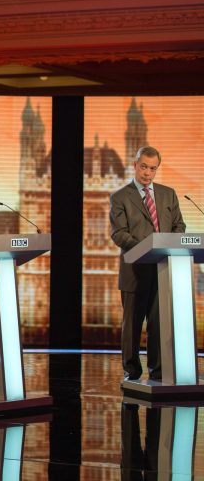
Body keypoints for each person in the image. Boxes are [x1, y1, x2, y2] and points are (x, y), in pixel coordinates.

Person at [109, 145, 185, 381]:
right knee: (132, 326)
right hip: (135, 270)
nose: (147, 173)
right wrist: (144, 249)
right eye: (144, 167)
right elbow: (118, 233)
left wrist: (168, 243)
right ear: (135, 165)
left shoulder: (168, 194)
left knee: (158, 324)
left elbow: (179, 226)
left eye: (153, 169)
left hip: (162, 270)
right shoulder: (120, 196)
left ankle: (158, 372)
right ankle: (131, 372)